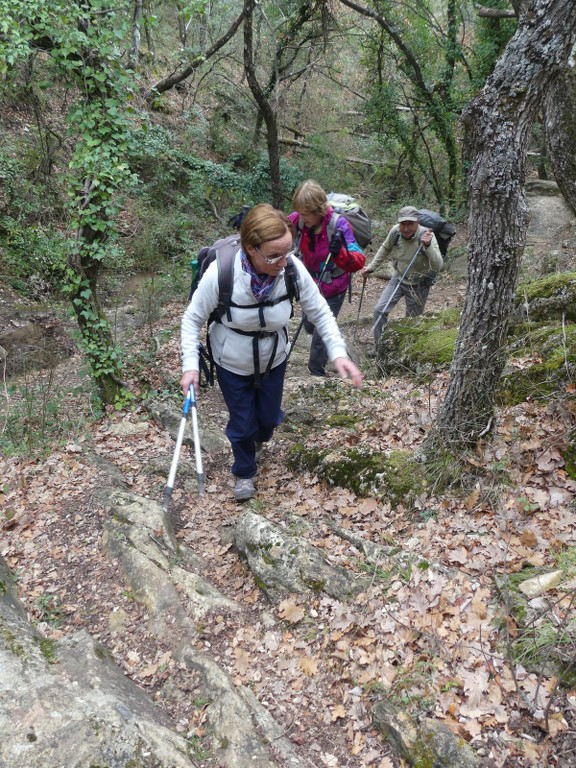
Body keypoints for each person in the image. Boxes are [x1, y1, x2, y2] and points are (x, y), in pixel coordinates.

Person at [180, 204, 363, 503]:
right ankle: (244, 471)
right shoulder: (222, 273)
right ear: (250, 248)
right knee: (242, 423)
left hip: (274, 358)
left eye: (287, 252)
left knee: (267, 420)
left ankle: (259, 441)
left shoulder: (291, 268)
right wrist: (191, 366)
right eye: (274, 255)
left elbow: (319, 310)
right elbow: (192, 319)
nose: (282, 262)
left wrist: (338, 352)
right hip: (231, 361)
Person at [288, 179, 364, 377]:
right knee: (310, 324)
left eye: (306, 214)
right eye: (300, 213)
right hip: (310, 285)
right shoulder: (298, 220)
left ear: (318, 210)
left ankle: (317, 372)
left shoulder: (339, 225)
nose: (302, 218)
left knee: (320, 332)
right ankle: (332, 341)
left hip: (334, 286)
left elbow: (359, 260)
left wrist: (341, 253)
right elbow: (275, 229)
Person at [360, 205, 443, 346]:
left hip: (419, 284)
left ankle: (405, 350)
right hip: (398, 277)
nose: (405, 228)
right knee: (379, 310)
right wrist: (371, 267)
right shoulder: (395, 232)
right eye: (403, 224)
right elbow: (385, 248)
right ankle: (379, 347)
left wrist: (428, 247)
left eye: (410, 224)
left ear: (418, 222)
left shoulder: (427, 236)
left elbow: (438, 266)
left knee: (411, 322)